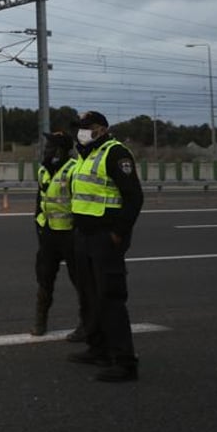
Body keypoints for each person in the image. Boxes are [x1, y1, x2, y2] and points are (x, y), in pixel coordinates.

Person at [65, 111, 144, 382]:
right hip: (84, 236)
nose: (81, 132)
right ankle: (97, 349)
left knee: (110, 298)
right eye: (79, 128)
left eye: (86, 128)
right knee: (88, 295)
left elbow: (134, 197)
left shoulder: (115, 153)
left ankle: (124, 361)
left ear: (101, 129)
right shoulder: (84, 157)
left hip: (104, 238)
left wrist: (117, 234)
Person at [30, 131, 86, 340]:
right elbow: (39, 203)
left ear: (60, 150)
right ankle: (40, 321)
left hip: (70, 236)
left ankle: (86, 324)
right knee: (44, 279)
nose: (45, 150)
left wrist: (78, 234)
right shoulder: (44, 171)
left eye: (49, 147)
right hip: (49, 236)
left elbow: (80, 205)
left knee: (80, 281)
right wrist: (39, 228)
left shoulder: (73, 170)